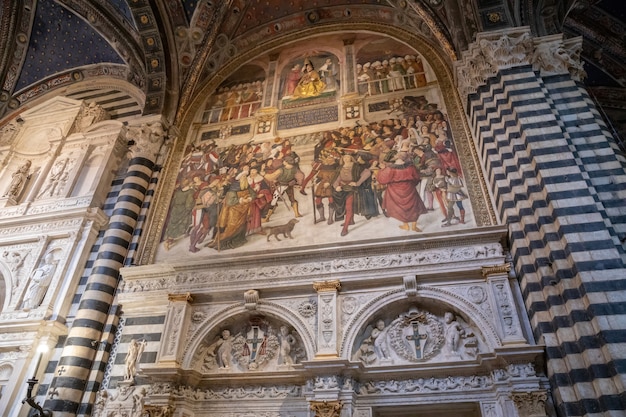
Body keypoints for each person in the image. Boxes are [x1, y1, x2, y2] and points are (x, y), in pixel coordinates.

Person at [377, 155, 427, 232]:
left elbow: (382, 180)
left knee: (401, 209)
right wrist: (410, 184)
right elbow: (417, 178)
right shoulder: (411, 167)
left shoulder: (390, 169)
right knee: (414, 207)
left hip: (395, 190)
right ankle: (413, 226)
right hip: (409, 189)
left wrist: (382, 169)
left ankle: (406, 225)